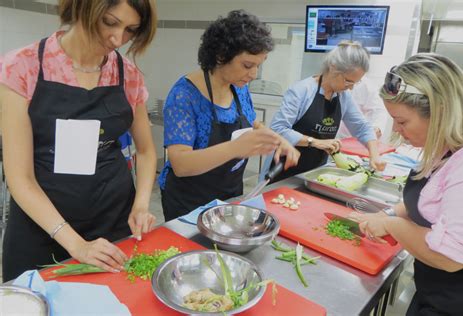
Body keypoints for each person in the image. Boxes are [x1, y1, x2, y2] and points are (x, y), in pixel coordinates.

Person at [0, 0, 158, 281]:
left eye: (130, 30)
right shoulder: (22, 67)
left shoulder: (128, 76)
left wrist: (142, 204)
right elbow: (19, 176)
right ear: (83, 8)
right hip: (43, 226)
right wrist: (76, 245)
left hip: (113, 220)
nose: (118, 39)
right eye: (109, 22)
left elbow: (146, 152)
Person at [348, 53, 463, 315]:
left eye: (403, 121)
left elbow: (450, 257)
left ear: (440, 111)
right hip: (433, 292)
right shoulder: (447, 148)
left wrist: (392, 225)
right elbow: (427, 197)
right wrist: (389, 213)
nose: (396, 128)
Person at [159, 10, 299, 221]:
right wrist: (235, 148)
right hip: (188, 201)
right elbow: (180, 164)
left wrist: (279, 140)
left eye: (258, 66)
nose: (253, 75)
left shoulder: (238, 87)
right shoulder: (184, 95)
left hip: (230, 193)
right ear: (221, 56)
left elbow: (253, 123)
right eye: (247, 65)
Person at [262, 41, 385, 183]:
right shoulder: (301, 91)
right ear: (333, 68)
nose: (350, 88)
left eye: (355, 83)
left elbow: (362, 127)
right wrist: (315, 142)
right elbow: (278, 129)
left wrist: (374, 155)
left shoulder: (343, 96)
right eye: (348, 81)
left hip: (314, 173)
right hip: (283, 171)